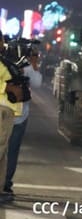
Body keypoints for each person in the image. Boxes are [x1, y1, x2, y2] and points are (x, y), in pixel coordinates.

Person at [3, 44, 41, 195]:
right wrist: (33, 65)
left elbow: (36, 83)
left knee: (7, 152)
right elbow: (36, 83)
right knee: (10, 152)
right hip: (15, 115)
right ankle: (5, 185)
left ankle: (5, 184)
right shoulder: (22, 66)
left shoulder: (13, 64)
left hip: (14, 114)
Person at [0, 37, 24, 197]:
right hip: (1, 108)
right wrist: (7, 87)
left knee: (3, 154)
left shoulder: (5, 61)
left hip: (8, 109)